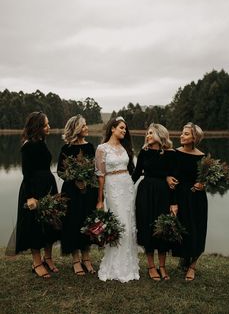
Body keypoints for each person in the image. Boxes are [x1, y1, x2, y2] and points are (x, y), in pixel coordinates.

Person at [15, 111, 59, 278]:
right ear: (37, 127)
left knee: (50, 222)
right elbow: (27, 174)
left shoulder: (42, 142)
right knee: (35, 225)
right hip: (34, 189)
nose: (49, 127)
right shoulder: (28, 146)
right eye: (46, 124)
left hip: (48, 186)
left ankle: (47, 258)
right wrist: (30, 197)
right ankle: (36, 262)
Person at [95, 116, 140, 282]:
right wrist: (100, 200)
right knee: (118, 224)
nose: (124, 131)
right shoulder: (102, 148)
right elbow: (100, 176)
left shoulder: (125, 147)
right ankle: (114, 267)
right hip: (112, 187)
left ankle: (128, 266)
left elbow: (132, 169)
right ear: (112, 128)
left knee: (128, 224)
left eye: (125, 129)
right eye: (121, 127)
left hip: (127, 187)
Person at [132, 123, 178, 281]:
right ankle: (151, 266)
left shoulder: (171, 154)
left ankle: (163, 267)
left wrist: (173, 202)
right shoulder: (144, 152)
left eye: (151, 133)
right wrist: (122, 187)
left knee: (162, 229)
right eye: (147, 133)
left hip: (163, 194)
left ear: (160, 134)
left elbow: (173, 179)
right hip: (145, 193)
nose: (148, 135)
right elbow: (136, 174)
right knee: (147, 227)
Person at [57, 115, 97, 275]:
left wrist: (86, 180)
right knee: (73, 222)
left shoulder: (90, 147)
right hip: (71, 192)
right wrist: (74, 178)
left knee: (87, 221)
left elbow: (94, 169)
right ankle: (75, 259)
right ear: (76, 129)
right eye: (84, 125)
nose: (87, 128)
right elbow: (60, 171)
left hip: (88, 191)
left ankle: (86, 258)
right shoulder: (65, 149)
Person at [167, 122, 207, 281]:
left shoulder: (202, 157)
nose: (181, 136)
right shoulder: (174, 154)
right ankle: (184, 259)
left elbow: (205, 180)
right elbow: (167, 172)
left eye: (186, 134)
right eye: (182, 133)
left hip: (197, 198)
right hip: (180, 196)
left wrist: (203, 184)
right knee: (183, 229)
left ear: (194, 138)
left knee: (197, 229)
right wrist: (167, 177)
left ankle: (192, 266)